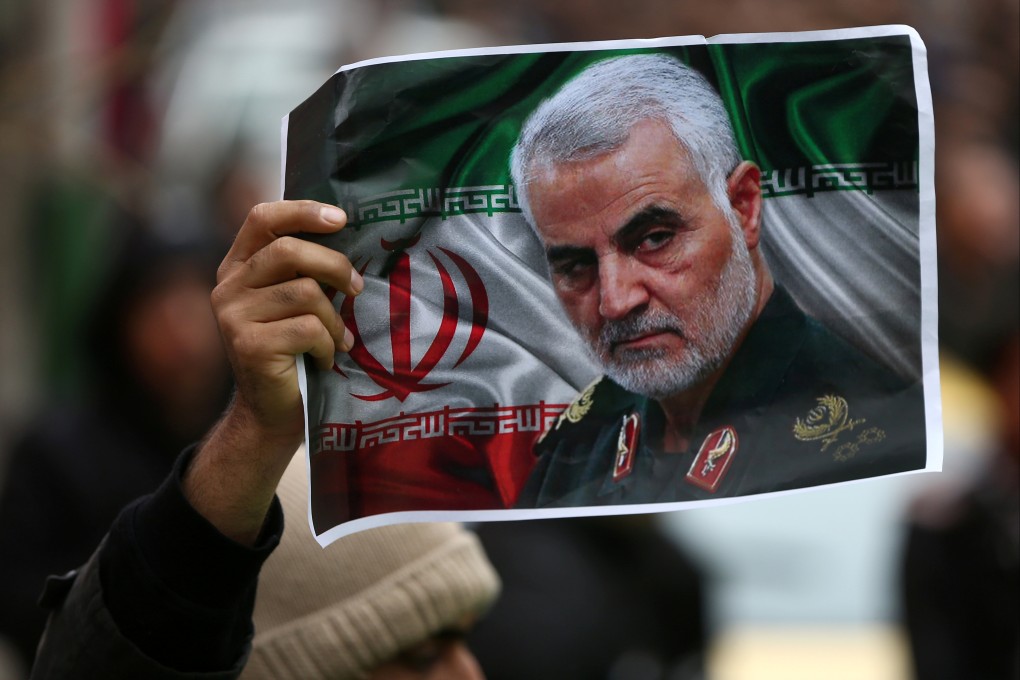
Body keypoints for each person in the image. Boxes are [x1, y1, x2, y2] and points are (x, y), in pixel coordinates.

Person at [29, 201, 498, 679]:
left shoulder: (288, 422)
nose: (180, 330)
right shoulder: (58, 452)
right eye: (420, 657)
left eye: (194, 299)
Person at [510, 54, 926, 507]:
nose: (615, 300)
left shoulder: (872, 442)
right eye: (575, 266)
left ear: (743, 207)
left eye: (654, 239)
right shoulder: (577, 450)